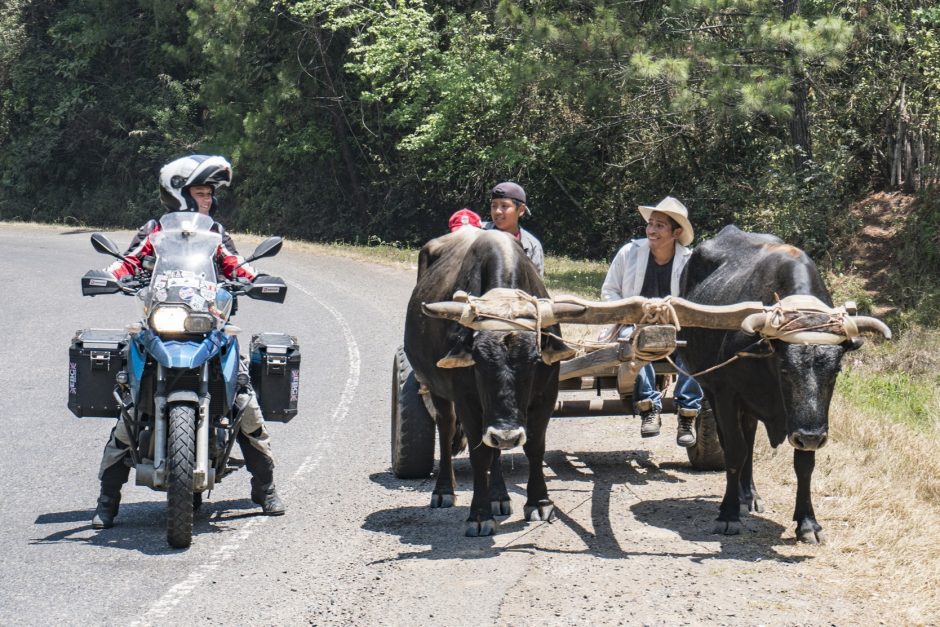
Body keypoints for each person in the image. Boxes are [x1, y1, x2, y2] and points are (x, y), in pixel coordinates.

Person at [91, 155, 285, 530]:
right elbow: (128, 263)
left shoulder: (215, 232)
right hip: (162, 321)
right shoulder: (153, 231)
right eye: (201, 191)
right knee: (129, 408)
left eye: (211, 192)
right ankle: (107, 499)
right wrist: (106, 275)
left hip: (207, 323)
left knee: (243, 401)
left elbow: (235, 265)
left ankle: (265, 486)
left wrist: (257, 278)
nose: (209, 198)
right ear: (177, 192)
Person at [600, 196, 704, 447]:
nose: (651, 230)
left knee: (698, 348)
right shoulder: (629, 253)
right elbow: (610, 291)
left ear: (676, 232)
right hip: (633, 325)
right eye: (650, 224)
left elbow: (694, 302)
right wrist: (628, 315)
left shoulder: (690, 261)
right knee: (635, 339)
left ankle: (688, 413)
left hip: (675, 329)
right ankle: (648, 408)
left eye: (659, 225)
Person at [483, 182, 544, 276]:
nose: (497, 211)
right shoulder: (479, 232)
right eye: (494, 206)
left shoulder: (531, 246)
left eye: (504, 206)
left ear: (521, 210)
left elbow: (535, 285)